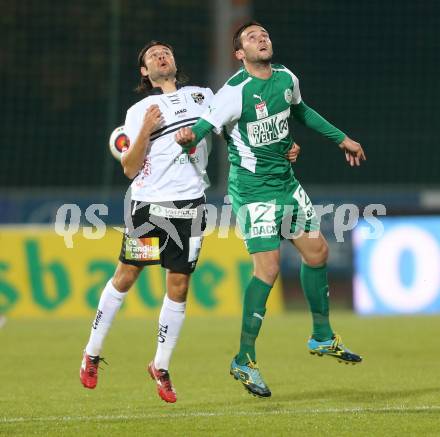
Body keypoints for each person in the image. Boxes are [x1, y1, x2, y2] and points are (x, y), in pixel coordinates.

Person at [79, 39, 301, 403]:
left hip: (192, 206)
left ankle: (161, 366)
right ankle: (92, 351)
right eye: (152, 56)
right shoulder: (141, 109)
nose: (161, 56)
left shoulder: (203, 96)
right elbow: (130, 168)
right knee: (126, 276)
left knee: (179, 287)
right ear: (144, 72)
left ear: (174, 61)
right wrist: (147, 129)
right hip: (149, 207)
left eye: (165, 51)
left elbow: (239, 129)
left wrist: (284, 146)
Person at [175, 21, 366, 398]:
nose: (262, 38)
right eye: (251, 37)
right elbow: (201, 127)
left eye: (264, 34)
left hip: (285, 184)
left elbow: (302, 112)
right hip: (252, 190)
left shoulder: (285, 78)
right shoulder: (233, 92)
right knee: (269, 268)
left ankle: (322, 336)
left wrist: (341, 138)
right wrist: (187, 139)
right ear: (239, 54)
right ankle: (244, 359)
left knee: (318, 252)